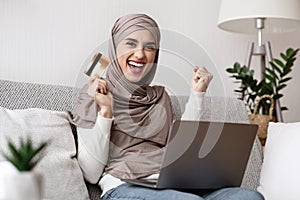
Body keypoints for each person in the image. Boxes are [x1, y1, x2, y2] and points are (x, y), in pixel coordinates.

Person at [71, 13, 264, 200]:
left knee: (249, 196)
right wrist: (106, 112)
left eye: (149, 47)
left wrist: (198, 94)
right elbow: (91, 173)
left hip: (175, 183)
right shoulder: (95, 93)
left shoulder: (159, 96)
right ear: (114, 47)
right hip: (124, 187)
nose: (140, 54)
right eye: (130, 43)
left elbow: (182, 149)